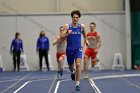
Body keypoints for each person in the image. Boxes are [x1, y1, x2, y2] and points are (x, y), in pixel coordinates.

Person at [62, 10, 89, 91]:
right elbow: (62, 37)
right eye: (74, 17)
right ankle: (73, 72)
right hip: (69, 49)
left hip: (78, 49)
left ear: (79, 18)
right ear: (72, 18)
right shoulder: (67, 26)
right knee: (71, 67)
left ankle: (77, 83)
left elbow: (84, 34)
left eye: (77, 17)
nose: (75, 19)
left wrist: (86, 40)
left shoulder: (82, 26)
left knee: (78, 64)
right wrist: (67, 34)